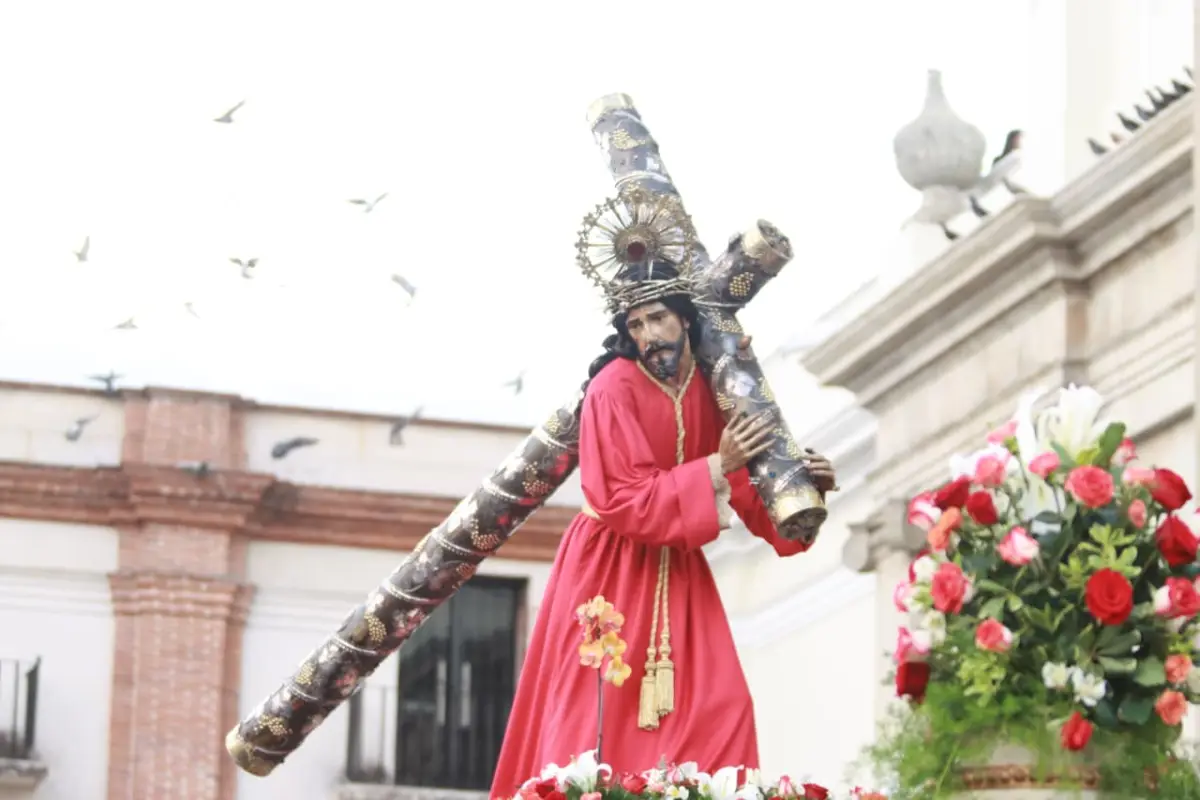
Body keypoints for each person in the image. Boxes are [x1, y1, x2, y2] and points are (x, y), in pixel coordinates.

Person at [489, 251, 837, 795]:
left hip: (677, 569)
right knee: (596, 715)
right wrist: (717, 464)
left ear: (684, 316)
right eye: (636, 325)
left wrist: (802, 498)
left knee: (723, 706)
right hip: (607, 570)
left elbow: (747, 491)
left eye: (658, 318)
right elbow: (623, 499)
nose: (649, 335)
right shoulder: (612, 388)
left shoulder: (715, 385)